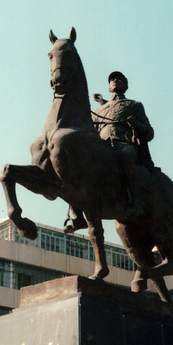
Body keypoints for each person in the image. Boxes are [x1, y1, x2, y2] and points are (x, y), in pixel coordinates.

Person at [63, 71, 155, 233]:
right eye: (112, 79)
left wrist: (137, 125)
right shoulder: (100, 110)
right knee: (76, 167)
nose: (115, 80)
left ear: (126, 85)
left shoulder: (134, 105)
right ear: (109, 87)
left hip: (123, 145)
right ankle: (77, 216)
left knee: (125, 154)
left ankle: (133, 201)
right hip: (103, 147)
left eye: (119, 79)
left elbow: (149, 133)